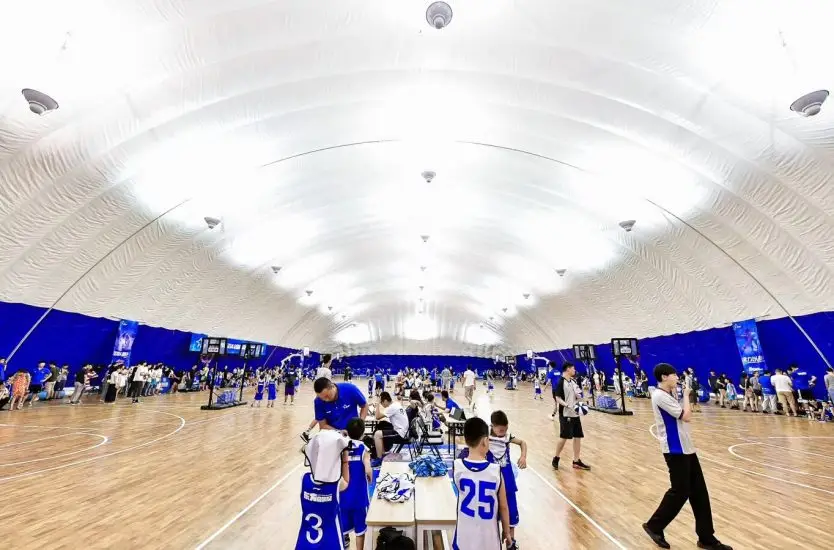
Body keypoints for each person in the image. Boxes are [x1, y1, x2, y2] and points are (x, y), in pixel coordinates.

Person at [643, 363, 732, 550]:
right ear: (664, 377)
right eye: (674, 375)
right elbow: (686, 416)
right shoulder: (660, 396)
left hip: (687, 449)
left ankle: (706, 537)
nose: (677, 378)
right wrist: (685, 396)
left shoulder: (668, 394)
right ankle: (654, 525)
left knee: (699, 492)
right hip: (675, 451)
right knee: (680, 491)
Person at [453, 417, 513, 550]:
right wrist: (507, 532)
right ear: (486, 441)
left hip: (464, 536)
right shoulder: (496, 472)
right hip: (489, 539)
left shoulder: (457, 466)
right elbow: (503, 506)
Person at [295, 434, 351, 550]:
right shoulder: (336, 485)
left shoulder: (303, 479)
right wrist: (345, 459)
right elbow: (346, 481)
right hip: (330, 541)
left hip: (306, 540)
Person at [489, 410, 527, 548]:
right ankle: (493, 540)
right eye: (501, 430)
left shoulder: (508, 437)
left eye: (505, 429)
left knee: (511, 511)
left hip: (507, 478)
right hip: (492, 480)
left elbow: (523, 443)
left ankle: (511, 542)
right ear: (492, 426)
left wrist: (523, 456)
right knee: (492, 513)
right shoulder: (485, 437)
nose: (504, 432)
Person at [341, 418, 373, 550]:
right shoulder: (363, 449)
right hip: (359, 498)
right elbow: (368, 469)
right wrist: (369, 476)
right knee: (360, 531)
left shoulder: (341, 447)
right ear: (362, 433)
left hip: (343, 497)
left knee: (342, 529)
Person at [551, 362, 590, 471]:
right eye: (573, 368)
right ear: (568, 369)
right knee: (564, 437)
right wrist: (566, 405)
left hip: (575, 413)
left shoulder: (573, 381)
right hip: (565, 413)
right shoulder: (560, 382)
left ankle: (576, 461)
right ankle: (556, 457)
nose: (574, 370)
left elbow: (578, 395)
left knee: (578, 436)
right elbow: (557, 398)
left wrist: (583, 400)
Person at [372, 392, 410, 465]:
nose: (382, 405)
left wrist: (377, 404)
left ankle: (379, 459)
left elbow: (377, 416)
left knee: (377, 434)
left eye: (382, 403)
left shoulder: (391, 407)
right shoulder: (396, 404)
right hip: (404, 431)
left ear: (385, 401)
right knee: (381, 428)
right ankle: (382, 455)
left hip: (400, 434)